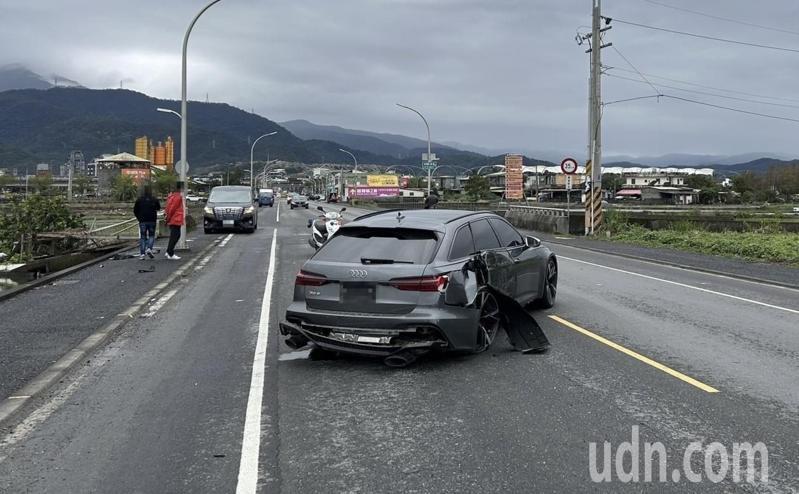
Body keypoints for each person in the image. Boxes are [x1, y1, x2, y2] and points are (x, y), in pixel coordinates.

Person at [133, 185, 160, 260]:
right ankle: (149, 248)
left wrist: (139, 218)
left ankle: (142, 254)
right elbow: (158, 208)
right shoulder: (154, 199)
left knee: (143, 237)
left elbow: (135, 210)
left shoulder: (139, 200)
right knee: (151, 236)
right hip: (152, 220)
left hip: (142, 221)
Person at [164, 182, 185, 260]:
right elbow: (172, 208)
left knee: (174, 235)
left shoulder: (171, 196)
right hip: (176, 218)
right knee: (175, 236)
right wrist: (169, 217)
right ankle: (170, 253)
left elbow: (168, 207)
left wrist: (167, 217)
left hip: (173, 218)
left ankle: (169, 251)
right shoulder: (177, 196)